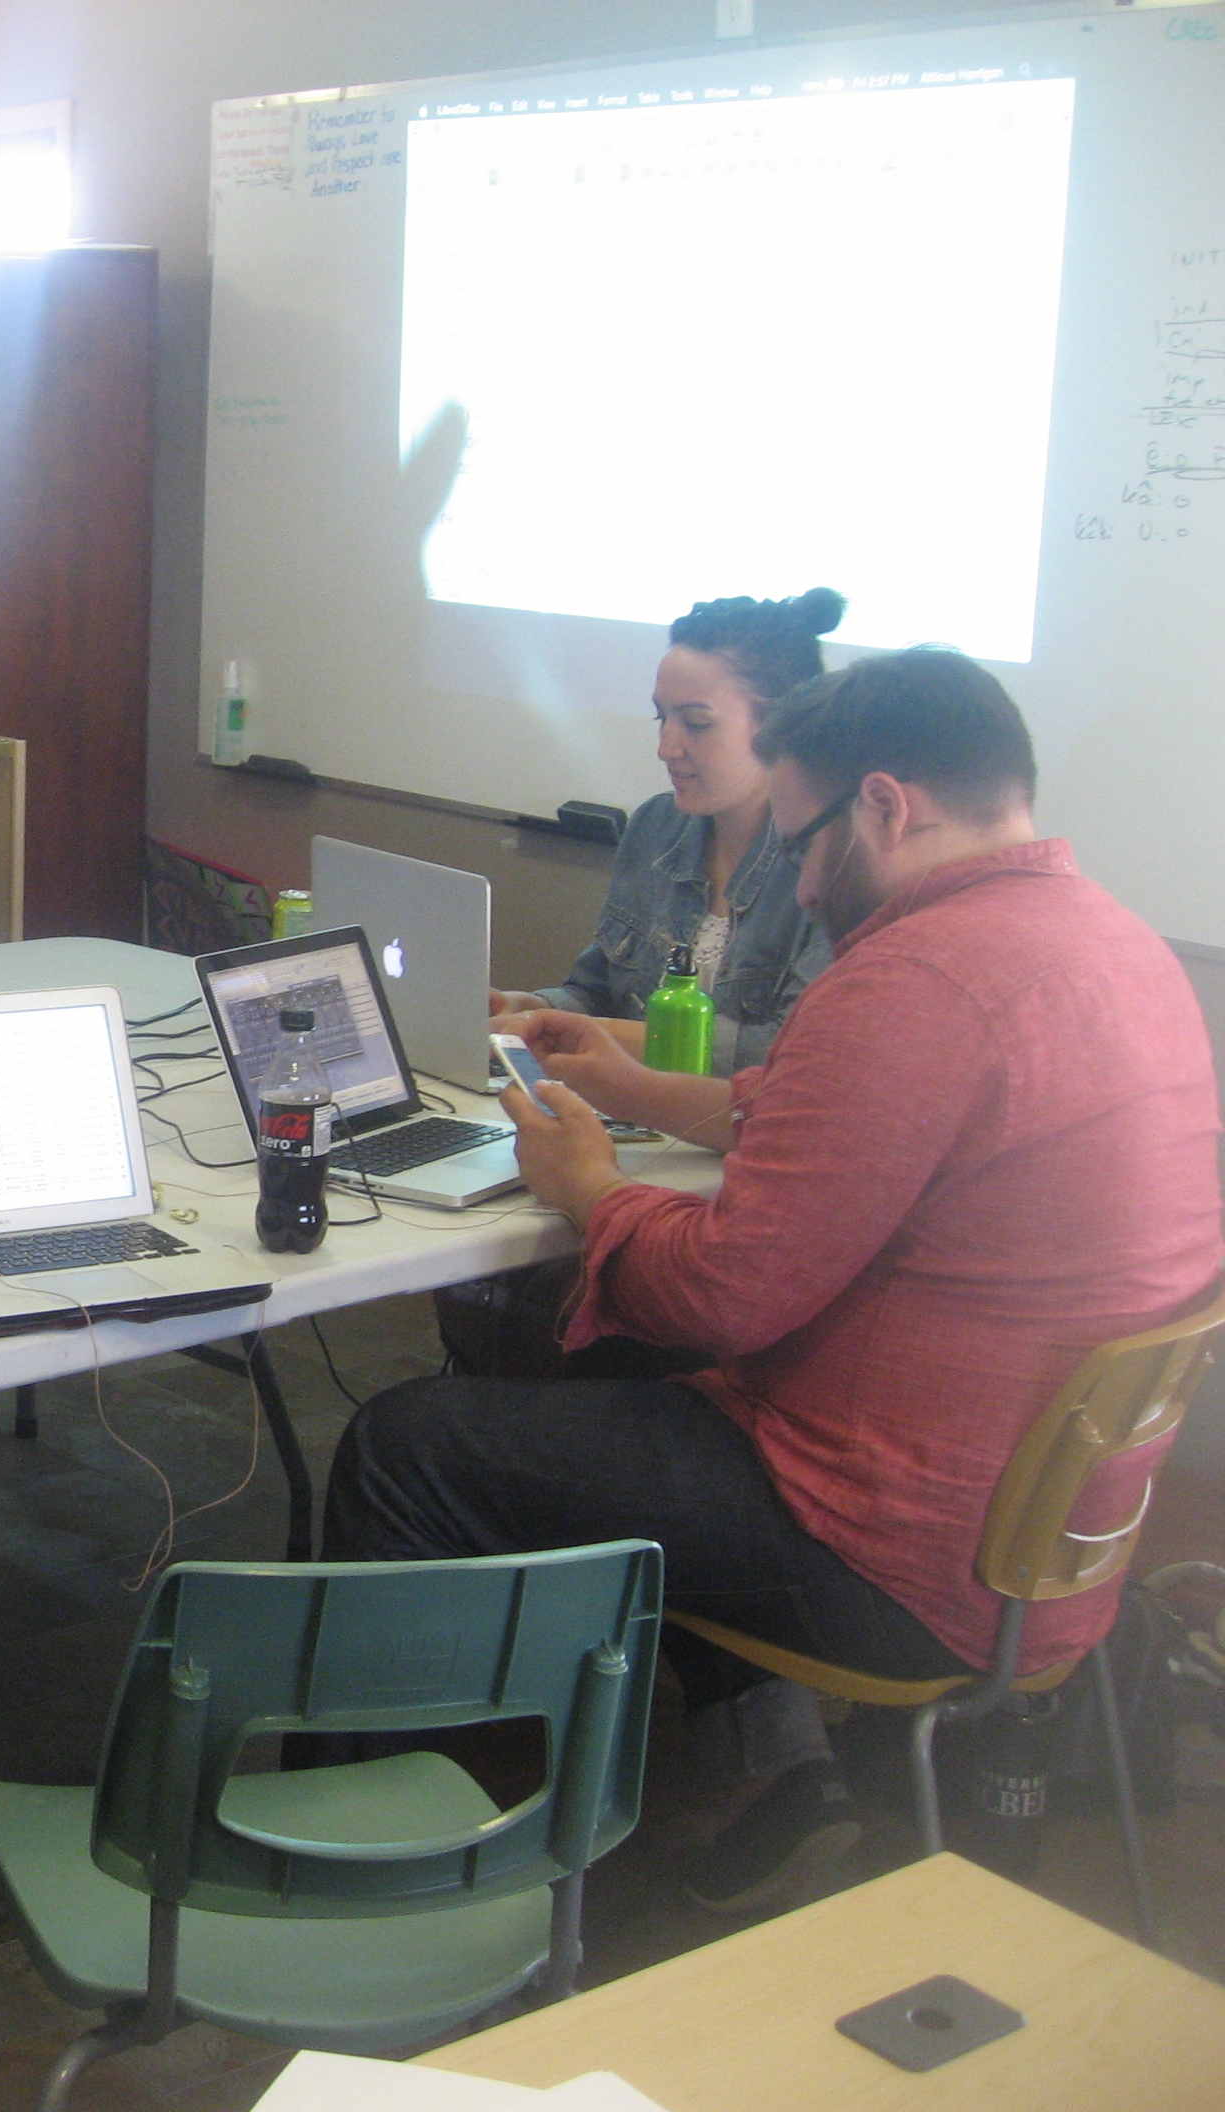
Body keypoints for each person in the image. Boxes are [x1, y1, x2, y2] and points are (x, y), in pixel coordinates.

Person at [332, 647, 1221, 1914]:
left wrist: (587, 1186)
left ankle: (386, 1860)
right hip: (1038, 1543)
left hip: (899, 1558)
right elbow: (812, 1121)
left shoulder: (917, 974)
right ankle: (734, 1759)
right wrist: (630, 1093)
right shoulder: (1103, 939)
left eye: (803, 844)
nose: (798, 884)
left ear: (883, 805)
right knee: (592, 1363)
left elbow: (717, 1298)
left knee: (408, 1440)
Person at [490, 587, 846, 1070]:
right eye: (662, 717)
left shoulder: (836, 863)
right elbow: (599, 992)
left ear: (782, 728)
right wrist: (535, 1009)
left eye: (697, 724)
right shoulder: (657, 825)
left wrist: (583, 1033)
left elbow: (785, 1056)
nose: (666, 747)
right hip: (638, 1119)